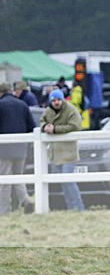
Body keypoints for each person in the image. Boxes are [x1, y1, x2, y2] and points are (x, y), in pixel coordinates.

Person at [40, 89, 84, 211]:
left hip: (69, 152)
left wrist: (55, 129)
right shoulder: (48, 111)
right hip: (56, 152)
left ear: (62, 99)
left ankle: (79, 207)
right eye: (53, 100)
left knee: (68, 180)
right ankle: (70, 207)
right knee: (63, 182)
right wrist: (45, 127)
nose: (56, 102)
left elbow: (76, 125)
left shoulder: (71, 110)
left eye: (58, 99)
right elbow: (42, 121)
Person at [0, 82, 36, 214]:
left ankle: (3, 211)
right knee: (19, 177)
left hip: (3, 150)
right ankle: (25, 200)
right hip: (21, 149)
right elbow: (31, 126)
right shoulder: (23, 104)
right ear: (11, 91)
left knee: (4, 180)